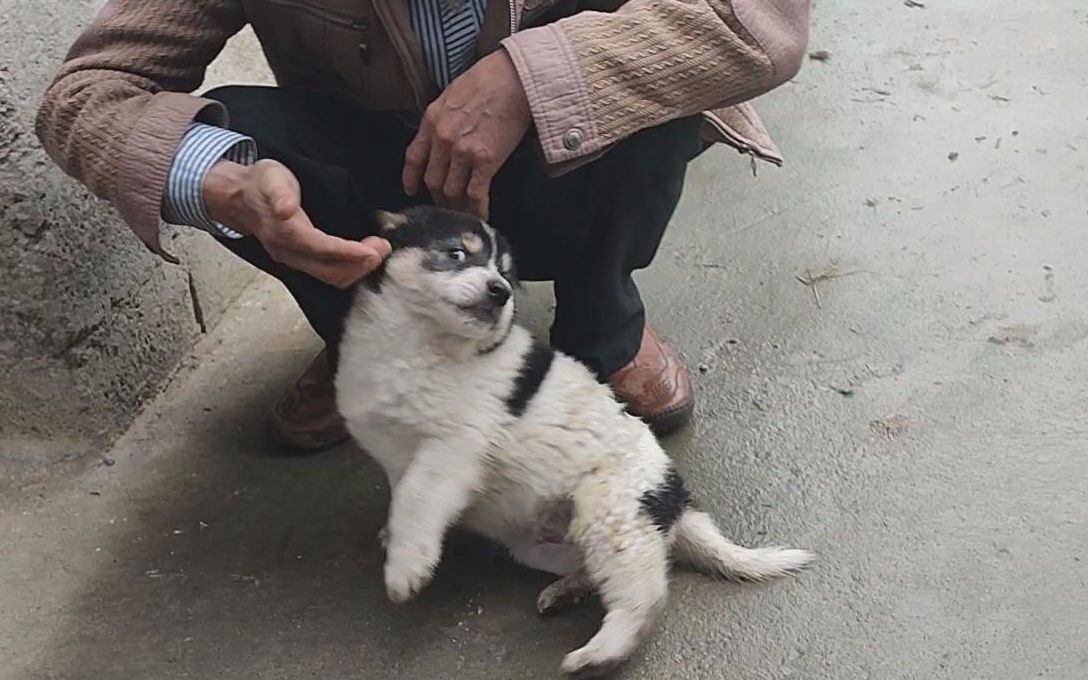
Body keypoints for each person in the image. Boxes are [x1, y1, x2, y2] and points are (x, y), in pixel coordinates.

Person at [36, 0, 809, 451]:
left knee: (645, 63)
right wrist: (222, 181)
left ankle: (603, 325)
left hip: (574, 156)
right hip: (385, 186)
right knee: (223, 130)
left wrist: (527, 76)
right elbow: (84, 95)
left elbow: (758, 22)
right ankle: (369, 340)